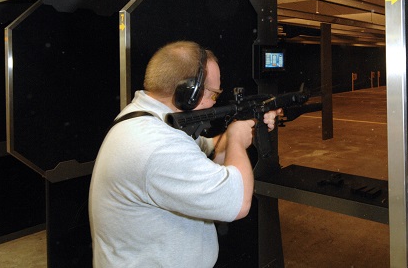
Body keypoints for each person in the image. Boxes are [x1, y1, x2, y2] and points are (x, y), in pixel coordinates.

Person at [89, 41, 281, 267]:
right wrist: (238, 140)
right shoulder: (157, 145)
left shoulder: (145, 120)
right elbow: (237, 202)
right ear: (189, 91)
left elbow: (205, 150)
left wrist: (235, 131)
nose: (213, 102)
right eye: (213, 94)